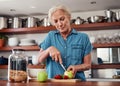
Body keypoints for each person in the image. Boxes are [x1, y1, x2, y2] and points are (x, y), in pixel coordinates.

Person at [38, 5, 93, 81]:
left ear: (69, 17)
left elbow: (88, 65)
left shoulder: (83, 38)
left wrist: (76, 67)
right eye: (56, 21)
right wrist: (49, 50)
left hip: (77, 83)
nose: (60, 24)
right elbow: (39, 59)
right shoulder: (50, 36)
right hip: (54, 83)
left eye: (62, 19)